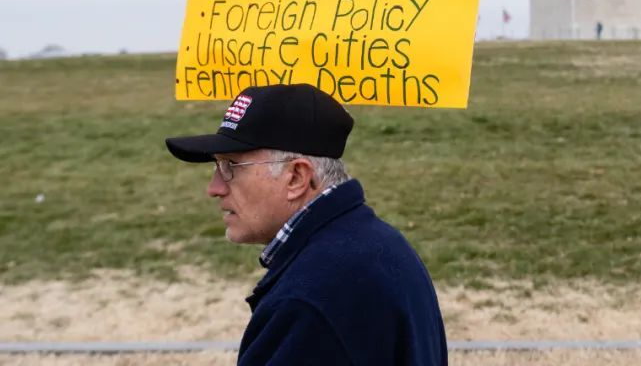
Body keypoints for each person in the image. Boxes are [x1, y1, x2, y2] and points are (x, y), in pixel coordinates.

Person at [165, 83, 447, 365]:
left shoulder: (308, 301)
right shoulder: (378, 242)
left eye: (229, 167)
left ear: (297, 178)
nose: (214, 188)